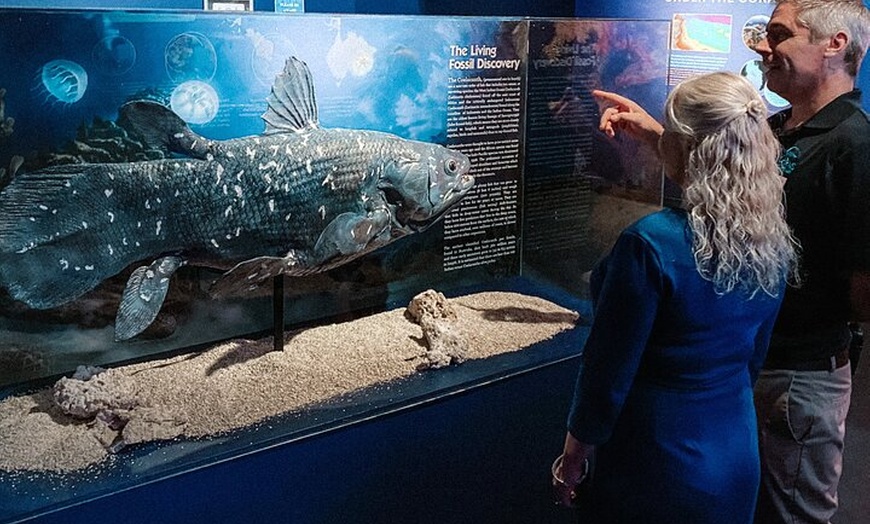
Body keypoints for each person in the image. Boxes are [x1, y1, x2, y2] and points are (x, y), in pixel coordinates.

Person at [578, 3, 870, 522]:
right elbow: (727, 166)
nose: (761, 47)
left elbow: (864, 293)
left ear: (835, 44)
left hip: (796, 377)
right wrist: (662, 137)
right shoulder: (778, 129)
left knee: (794, 513)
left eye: (778, 34)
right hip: (738, 388)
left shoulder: (856, 147)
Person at [551, 71, 799, 523]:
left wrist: (573, 457)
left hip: (657, 454)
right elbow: (754, 357)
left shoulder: (652, 244)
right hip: (733, 446)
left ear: (685, 147)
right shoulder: (771, 238)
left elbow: (608, 371)